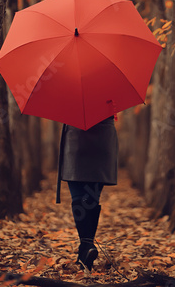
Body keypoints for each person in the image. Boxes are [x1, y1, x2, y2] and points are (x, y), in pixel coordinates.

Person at [56, 115, 118, 271]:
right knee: (92, 198)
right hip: (103, 139)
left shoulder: (69, 91)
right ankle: (86, 251)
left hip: (76, 137)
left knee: (78, 196)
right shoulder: (110, 90)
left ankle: (87, 246)